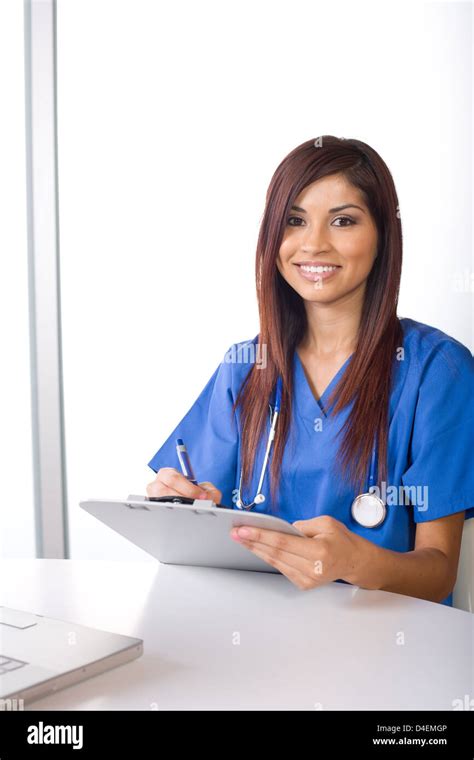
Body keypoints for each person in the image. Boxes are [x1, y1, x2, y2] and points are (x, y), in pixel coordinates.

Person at [146, 136, 474, 606]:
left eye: (343, 221)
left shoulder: (437, 372)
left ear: (383, 236)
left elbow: (439, 572)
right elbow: (201, 524)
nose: (314, 244)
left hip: (388, 650)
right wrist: (179, 507)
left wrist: (352, 563)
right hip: (257, 637)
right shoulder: (245, 368)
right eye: (295, 221)